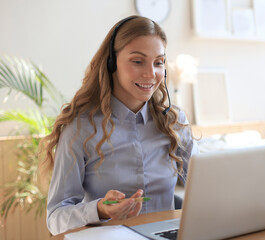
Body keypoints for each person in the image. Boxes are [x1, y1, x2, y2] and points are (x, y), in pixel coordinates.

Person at [39, 15, 198, 236]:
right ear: (112, 62)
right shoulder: (81, 128)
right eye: (137, 61)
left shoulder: (174, 122)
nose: (150, 73)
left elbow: (206, 187)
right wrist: (99, 210)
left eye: (159, 62)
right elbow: (56, 218)